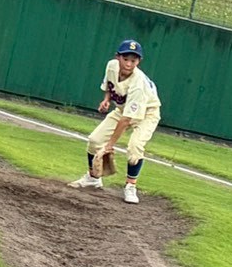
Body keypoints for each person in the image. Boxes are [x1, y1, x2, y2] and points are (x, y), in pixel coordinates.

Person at [68, 38, 162, 204]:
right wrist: (106, 99)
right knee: (94, 140)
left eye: (133, 60)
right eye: (125, 59)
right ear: (117, 57)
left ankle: (130, 186)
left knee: (134, 147)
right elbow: (110, 86)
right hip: (122, 109)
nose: (129, 64)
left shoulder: (138, 83)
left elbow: (126, 120)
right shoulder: (112, 66)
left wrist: (110, 145)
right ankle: (93, 178)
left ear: (139, 61)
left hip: (147, 113)